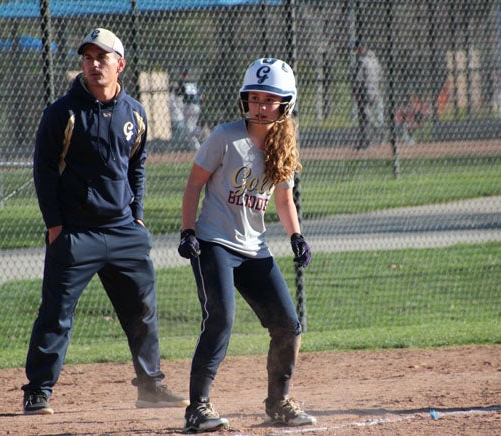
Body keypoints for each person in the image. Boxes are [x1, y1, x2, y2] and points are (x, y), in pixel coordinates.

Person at [23, 27, 188, 415]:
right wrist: (55, 225)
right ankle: (38, 390)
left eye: (102, 57)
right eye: (87, 57)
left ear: (120, 65)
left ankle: (150, 386)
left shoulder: (135, 112)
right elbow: (44, 170)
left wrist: (139, 217)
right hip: (76, 233)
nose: (94, 64)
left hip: (124, 230)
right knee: (56, 313)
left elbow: (137, 166)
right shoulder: (63, 112)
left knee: (143, 310)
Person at [178, 58, 316, 433]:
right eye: (254, 97)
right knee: (221, 318)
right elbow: (193, 185)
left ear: (285, 103)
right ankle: (197, 408)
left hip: (254, 248)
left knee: (288, 325)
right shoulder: (226, 137)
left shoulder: (281, 145)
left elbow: (284, 200)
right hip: (214, 243)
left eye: (270, 99)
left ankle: (278, 403)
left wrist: (296, 237)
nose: (261, 105)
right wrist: (188, 231)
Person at [352, 39, 384, 150]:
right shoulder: (375, 60)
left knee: (365, 117)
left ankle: (376, 131)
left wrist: (355, 91)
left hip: (365, 92)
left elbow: (358, 79)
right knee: (366, 116)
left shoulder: (362, 61)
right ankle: (366, 141)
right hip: (375, 91)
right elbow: (380, 76)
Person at [176, 68, 203, 150]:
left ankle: (200, 134)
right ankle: (200, 133)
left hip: (189, 106)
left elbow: (178, 92)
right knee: (190, 128)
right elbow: (201, 96)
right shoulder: (194, 84)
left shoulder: (184, 83)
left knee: (189, 130)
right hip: (196, 106)